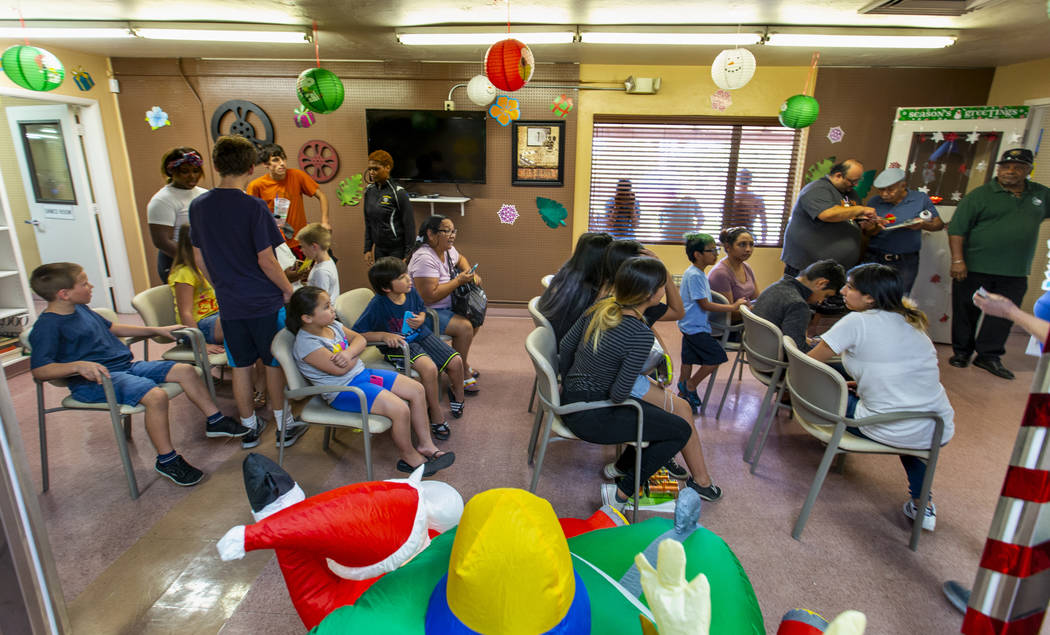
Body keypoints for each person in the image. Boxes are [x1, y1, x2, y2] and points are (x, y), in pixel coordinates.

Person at [27, 263, 249, 487]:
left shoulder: (80, 309)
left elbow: (113, 328)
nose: (91, 285)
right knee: (155, 397)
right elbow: (40, 370)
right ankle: (167, 459)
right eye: (84, 283)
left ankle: (216, 421)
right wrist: (77, 366)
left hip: (124, 367)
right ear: (64, 294)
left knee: (186, 371)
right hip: (95, 382)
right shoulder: (47, 327)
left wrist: (156, 330)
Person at [558, 257, 722, 511]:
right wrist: (642, 378)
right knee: (679, 430)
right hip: (592, 417)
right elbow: (619, 392)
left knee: (660, 416)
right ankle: (621, 495)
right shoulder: (640, 334)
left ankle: (622, 466)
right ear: (650, 294)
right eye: (662, 286)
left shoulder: (599, 308)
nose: (664, 291)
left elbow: (567, 347)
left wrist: (576, 380)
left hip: (571, 399)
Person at [808, 264, 954, 531]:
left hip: (879, 425)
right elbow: (897, 374)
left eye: (850, 286)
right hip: (935, 426)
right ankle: (924, 505)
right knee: (912, 435)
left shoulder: (857, 321)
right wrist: (863, 385)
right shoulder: (912, 320)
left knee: (825, 383)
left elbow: (807, 365)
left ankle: (821, 445)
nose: (842, 290)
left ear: (870, 298)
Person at [189, 135, 302, 450]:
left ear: (215, 165)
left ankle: (249, 428)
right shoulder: (253, 207)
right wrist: (288, 290)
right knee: (273, 362)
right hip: (263, 301)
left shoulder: (198, 206)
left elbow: (200, 259)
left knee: (240, 365)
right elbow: (266, 260)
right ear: (252, 168)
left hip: (230, 302)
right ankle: (284, 425)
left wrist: (222, 286)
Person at [287, 286, 454, 476]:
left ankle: (426, 445)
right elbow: (340, 369)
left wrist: (350, 352)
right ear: (307, 318)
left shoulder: (331, 325)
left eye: (331, 305)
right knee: (400, 409)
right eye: (326, 307)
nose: (332, 309)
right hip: (344, 390)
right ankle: (409, 456)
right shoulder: (307, 343)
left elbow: (360, 339)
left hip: (362, 374)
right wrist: (354, 354)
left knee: (416, 389)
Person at [948, 148, 1050, 380]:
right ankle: (962, 352)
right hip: (974, 266)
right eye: (1005, 166)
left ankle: (989, 356)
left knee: (1004, 315)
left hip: (1015, 270)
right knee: (966, 311)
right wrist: (957, 260)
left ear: (1028, 170)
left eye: (1017, 167)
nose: (1010, 171)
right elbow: (957, 230)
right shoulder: (980, 195)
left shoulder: (1041, 195)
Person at [353, 257, 467, 437]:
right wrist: (383, 335)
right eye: (402, 277)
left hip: (421, 335)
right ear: (386, 288)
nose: (409, 279)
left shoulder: (411, 292)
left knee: (456, 361)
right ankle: (435, 414)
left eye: (407, 274)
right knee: (429, 369)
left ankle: (458, 397)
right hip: (400, 345)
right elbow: (357, 334)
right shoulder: (377, 305)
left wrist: (422, 317)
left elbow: (421, 309)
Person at [407, 215, 483, 392]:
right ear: (431, 235)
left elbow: (461, 258)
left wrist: (468, 272)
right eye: (446, 231)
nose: (452, 235)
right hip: (425, 312)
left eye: (453, 231)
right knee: (464, 327)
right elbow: (429, 297)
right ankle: (459, 371)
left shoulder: (447, 250)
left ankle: (460, 363)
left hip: (444, 308)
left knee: (475, 319)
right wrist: (459, 281)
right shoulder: (424, 258)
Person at [677, 234, 748, 413]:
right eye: (711, 250)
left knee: (688, 359)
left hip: (691, 325)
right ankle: (691, 385)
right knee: (716, 357)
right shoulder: (695, 275)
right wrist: (733, 307)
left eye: (716, 250)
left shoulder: (697, 273)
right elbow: (705, 304)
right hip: (695, 328)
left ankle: (681, 393)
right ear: (697, 255)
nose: (715, 254)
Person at [781, 158, 882, 276]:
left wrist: (868, 223)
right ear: (838, 175)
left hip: (836, 269)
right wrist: (861, 209)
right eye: (852, 181)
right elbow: (827, 214)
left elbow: (852, 217)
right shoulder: (817, 189)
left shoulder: (850, 194)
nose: (855, 185)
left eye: (857, 181)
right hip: (807, 266)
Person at [863, 167, 944, 293]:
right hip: (875, 257)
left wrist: (922, 225)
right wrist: (872, 226)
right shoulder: (874, 202)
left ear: (903, 186)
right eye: (881, 190)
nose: (884, 194)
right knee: (868, 296)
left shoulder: (920, 199)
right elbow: (868, 232)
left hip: (905, 261)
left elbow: (938, 224)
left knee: (899, 298)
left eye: (890, 190)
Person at [246, 144, 330, 251]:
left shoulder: (297, 175)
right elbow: (249, 215)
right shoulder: (256, 185)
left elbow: (321, 195)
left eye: (283, 159)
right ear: (265, 164)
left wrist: (325, 222)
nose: (282, 163)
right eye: (276, 160)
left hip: (300, 241)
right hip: (275, 243)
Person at [751, 259, 846, 351]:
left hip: (758, 352)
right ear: (821, 283)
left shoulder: (775, 286)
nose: (821, 301)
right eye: (826, 295)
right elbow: (797, 353)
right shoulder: (798, 305)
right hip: (776, 359)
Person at [537, 231, 613, 343]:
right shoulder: (586, 291)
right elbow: (591, 328)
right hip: (570, 346)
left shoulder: (568, 272)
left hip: (557, 340)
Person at [147, 147, 206, 283]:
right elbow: (162, 242)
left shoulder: (203, 194)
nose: (192, 176)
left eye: (196, 171)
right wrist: (195, 261)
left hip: (201, 260)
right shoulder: (162, 200)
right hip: (178, 262)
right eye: (185, 172)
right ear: (171, 171)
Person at [167, 227, 224, 355]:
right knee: (240, 321)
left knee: (247, 316)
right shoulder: (184, 273)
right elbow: (185, 313)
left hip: (215, 317)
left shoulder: (204, 267)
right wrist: (201, 344)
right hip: (197, 328)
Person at [363, 150, 416, 265]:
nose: (371, 172)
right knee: (381, 282)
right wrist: (367, 249)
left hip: (397, 250)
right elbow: (368, 222)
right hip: (379, 249)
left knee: (396, 282)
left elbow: (409, 226)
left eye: (376, 169)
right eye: (370, 169)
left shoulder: (398, 192)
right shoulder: (369, 191)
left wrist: (408, 254)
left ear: (387, 167)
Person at [708, 227, 761, 321]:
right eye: (742, 244)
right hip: (733, 324)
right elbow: (729, 315)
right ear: (728, 247)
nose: (748, 249)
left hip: (747, 318)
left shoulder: (746, 267)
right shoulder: (720, 273)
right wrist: (755, 310)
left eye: (751, 244)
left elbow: (757, 298)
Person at [296, 223, 339, 299]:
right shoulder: (326, 260)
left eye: (302, 246)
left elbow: (320, 302)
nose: (301, 250)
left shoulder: (321, 272)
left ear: (314, 246)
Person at [725, 169, 767, 244]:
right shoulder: (730, 198)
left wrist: (763, 242)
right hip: (730, 237)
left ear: (750, 180)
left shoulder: (757, 200)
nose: (744, 181)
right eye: (742, 178)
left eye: (746, 178)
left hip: (749, 235)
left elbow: (763, 223)